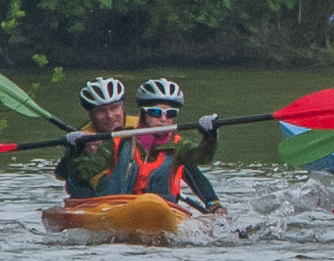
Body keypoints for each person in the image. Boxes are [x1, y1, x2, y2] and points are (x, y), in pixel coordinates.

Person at [100, 79, 223, 212]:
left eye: (170, 113)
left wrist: (209, 135)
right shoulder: (120, 140)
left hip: (162, 210)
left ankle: (213, 204)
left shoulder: (178, 146)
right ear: (144, 113)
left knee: (184, 164)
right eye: (156, 113)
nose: (163, 119)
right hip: (118, 207)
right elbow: (87, 170)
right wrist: (78, 148)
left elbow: (203, 157)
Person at [57, 77, 131, 199]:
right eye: (101, 111)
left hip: (135, 194)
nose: (110, 116)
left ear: (122, 107)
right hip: (96, 198)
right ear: (90, 114)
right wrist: (75, 150)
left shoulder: (140, 126)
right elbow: (61, 175)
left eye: (114, 108)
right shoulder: (81, 137)